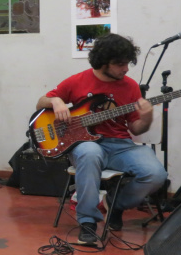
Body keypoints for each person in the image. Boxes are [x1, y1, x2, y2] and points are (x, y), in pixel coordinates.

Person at [35, 33, 167, 246]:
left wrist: (147, 116)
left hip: (121, 145)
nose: (125, 69)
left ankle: (115, 205)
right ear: (103, 62)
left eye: (128, 63)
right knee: (90, 153)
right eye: (120, 64)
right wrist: (56, 101)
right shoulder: (77, 81)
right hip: (85, 144)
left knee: (156, 174)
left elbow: (136, 127)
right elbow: (41, 102)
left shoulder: (131, 86)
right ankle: (88, 223)